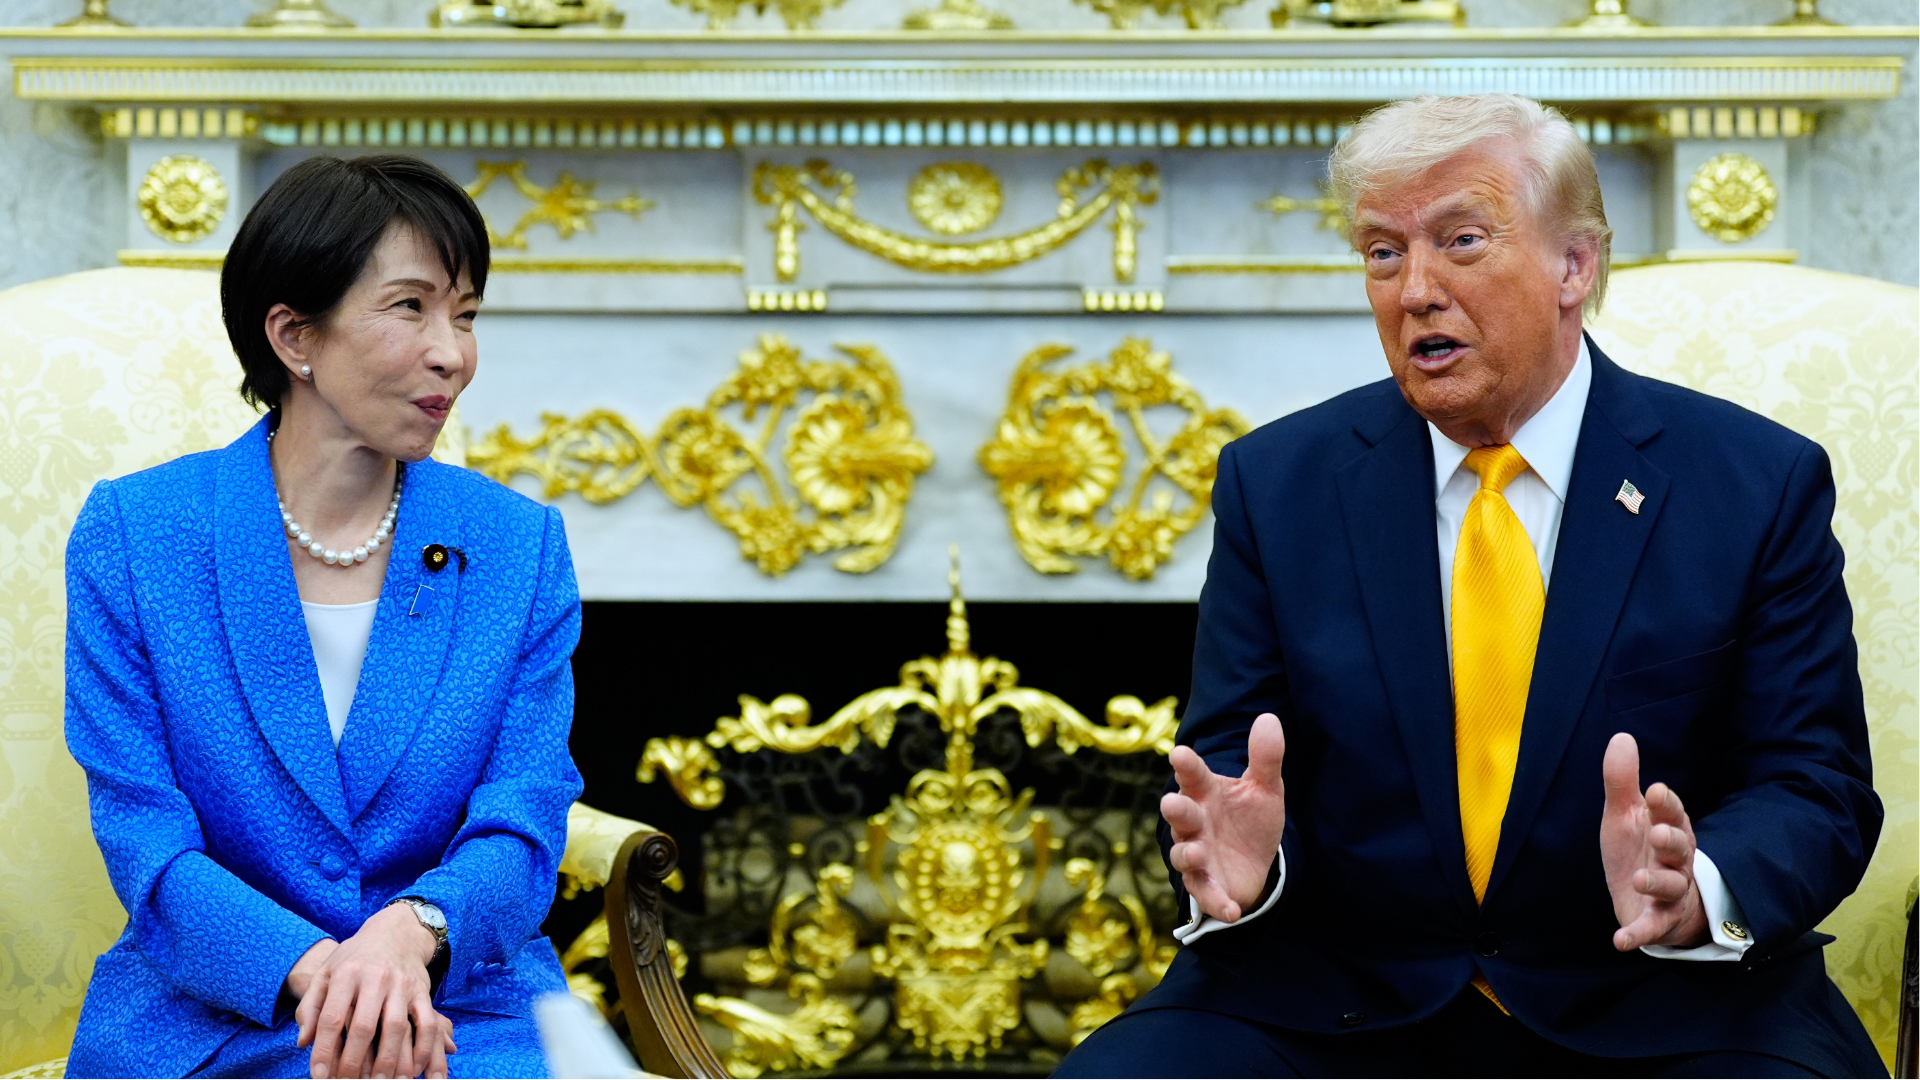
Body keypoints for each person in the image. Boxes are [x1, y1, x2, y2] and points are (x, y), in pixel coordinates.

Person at [1056, 94, 1884, 1078]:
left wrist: (1697, 884)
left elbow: (1815, 783)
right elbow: (1233, 766)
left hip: (1661, 1002)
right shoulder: (1278, 485)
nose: (1415, 291)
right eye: (1382, 252)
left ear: (1574, 265)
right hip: (1336, 1000)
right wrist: (1254, 866)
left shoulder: (1752, 484)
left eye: (1461, 241)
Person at [64, 155, 583, 1079]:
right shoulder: (137, 537)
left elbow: (524, 817)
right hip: (212, 1015)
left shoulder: (517, 547)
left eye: (466, 315)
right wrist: (328, 976)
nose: (452, 353)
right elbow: (145, 836)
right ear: (294, 335)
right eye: (411, 307)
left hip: (460, 1012)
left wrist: (411, 935)